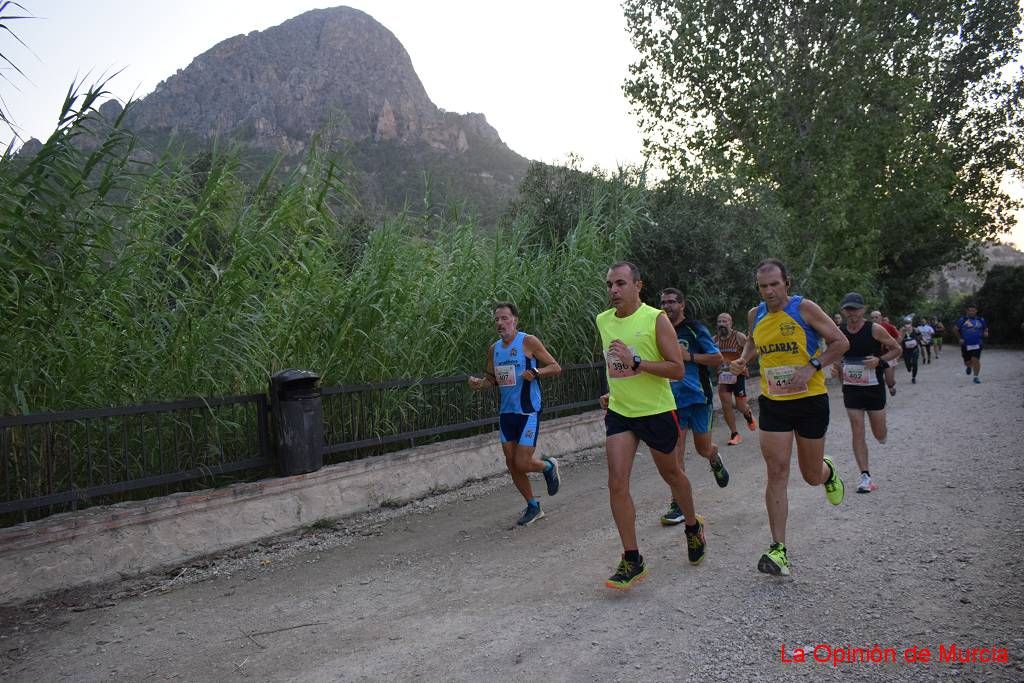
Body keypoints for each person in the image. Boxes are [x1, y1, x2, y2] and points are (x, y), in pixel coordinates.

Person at [729, 259, 849, 577]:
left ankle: (828, 472)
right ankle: (778, 549)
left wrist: (812, 365)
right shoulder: (756, 315)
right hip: (774, 403)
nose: (769, 291)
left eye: (774, 285)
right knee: (777, 471)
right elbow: (755, 342)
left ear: (787, 283)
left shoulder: (805, 309)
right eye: (763, 286)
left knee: (810, 474)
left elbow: (840, 342)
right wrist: (742, 360)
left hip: (810, 400)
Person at [596, 262, 706, 590]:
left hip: (657, 411)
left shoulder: (655, 318)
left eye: (620, 283)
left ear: (637, 286)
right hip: (621, 412)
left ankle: (692, 526)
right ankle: (632, 558)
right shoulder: (603, 320)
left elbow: (676, 369)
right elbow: (614, 363)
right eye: (609, 285)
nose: (614, 290)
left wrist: (638, 362)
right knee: (617, 483)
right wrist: (612, 389)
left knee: (672, 475)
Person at [468, 302, 562, 526]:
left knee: (522, 462)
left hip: (528, 410)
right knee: (511, 463)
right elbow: (492, 379)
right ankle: (533, 506)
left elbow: (556, 367)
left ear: (515, 320)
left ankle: (548, 466)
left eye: (504, 318)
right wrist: (479, 384)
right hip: (506, 413)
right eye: (497, 320)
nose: (500, 323)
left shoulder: (528, 342)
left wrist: (536, 372)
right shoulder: (494, 349)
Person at [657, 289, 729, 526]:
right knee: (675, 455)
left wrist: (688, 356)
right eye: (663, 303)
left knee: (702, 448)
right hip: (672, 401)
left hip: (699, 398)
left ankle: (714, 457)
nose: (667, 307)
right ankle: (677, 504)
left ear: (682, 305)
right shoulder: (658, 330)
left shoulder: (695, 328)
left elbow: (717, 358)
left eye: (671, 302)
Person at [832, 293, 901, 494]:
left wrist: (880, 361)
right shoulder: (839, 331)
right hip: (852, 388)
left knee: (879, 433)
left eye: (855, 309)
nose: (852, 313)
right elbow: (835, 354)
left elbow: (896, 349)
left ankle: (882, 431)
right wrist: (836, 367)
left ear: (863, 310)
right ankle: (865, 476)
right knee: (857, 429)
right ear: (843, 311)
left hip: (873, 387)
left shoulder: (875, 329)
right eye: (848, 309)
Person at [714, 312, 757, 445]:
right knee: (726, 405)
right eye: (719, 322)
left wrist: (744, 363)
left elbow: (752, 351)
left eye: (725, 321)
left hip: (738, 375)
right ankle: (734, 434)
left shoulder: (739, 337)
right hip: (723, 377)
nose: (722, 324)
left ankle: (748, 414)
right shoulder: (713, 340)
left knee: (740, 405)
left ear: (731, 323)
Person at [954, 304, 988, 384]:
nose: (972, 312)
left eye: (974, 310)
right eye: (970, 310)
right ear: (967, 311)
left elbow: (985, 328)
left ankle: (976, 377)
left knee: (975, 359)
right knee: (967, 362)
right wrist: (960, 338)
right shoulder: (963, 320)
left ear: (976, 311)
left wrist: (986, 332)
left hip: (977, 343)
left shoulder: (980, 319)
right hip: (966, 345)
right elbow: (955, 329)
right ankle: (969, 366)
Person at [870, 311, 902, 396]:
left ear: (880, 317)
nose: (874, 319)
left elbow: (898, 337)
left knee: (889, 380)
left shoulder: (888, 326)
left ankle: (891, 385)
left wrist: (892, 347)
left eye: (876, 317)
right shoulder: (869, 328)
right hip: (876, 357)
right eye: (872, 318)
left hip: (888, 356)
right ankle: (880, 397)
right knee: (876, 379)